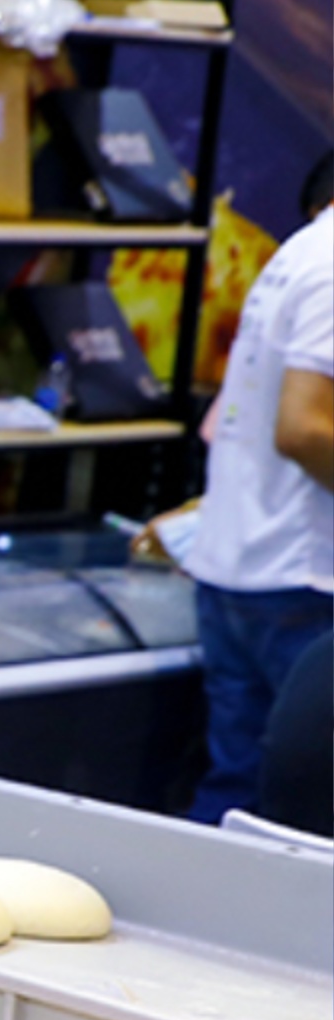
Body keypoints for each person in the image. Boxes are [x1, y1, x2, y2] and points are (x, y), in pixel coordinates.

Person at [180, 176, 332, 825]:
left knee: (239, 795)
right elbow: (303, 428)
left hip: (243, 561)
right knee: (300, 810)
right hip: (304, 575)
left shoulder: (300, 252)